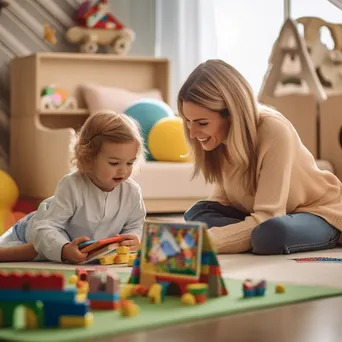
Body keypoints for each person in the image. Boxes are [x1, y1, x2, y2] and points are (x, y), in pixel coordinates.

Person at [178, 59, 342, 255]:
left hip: (316, 212)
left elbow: (268, 216)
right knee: (198, 213)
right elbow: (224, 200)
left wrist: (202, 241)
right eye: (188, 121)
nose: (193, 133)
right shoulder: (218, 140)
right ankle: (248, 237)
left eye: (202, 123)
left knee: (269, 233)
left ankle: (317, 235)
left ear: (231, 115)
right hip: (269, 216)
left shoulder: (273, 130)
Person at [0, 111, 146, 263]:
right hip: (36, 228)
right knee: (37, 250)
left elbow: (136, 225)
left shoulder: (132, 192)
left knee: (45, 250)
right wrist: (63, 249)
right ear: (88, 158)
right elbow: (46, 227)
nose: (124, 170)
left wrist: (135, 238)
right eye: (114, 163)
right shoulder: (72, 185)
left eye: (130, 162)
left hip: (74, 241)